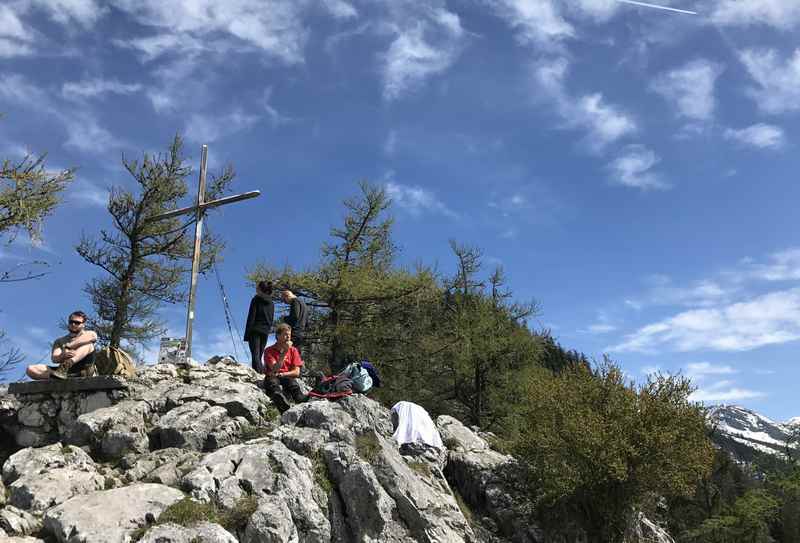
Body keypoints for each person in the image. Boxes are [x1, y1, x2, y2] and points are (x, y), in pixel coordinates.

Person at [26, 311, 98, 380]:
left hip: (85, 370)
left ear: (83, 324)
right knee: (31, 369)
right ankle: (58, 377)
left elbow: (93, 337)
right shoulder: (59, 341)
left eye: (77, 323)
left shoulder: (89, 334)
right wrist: (63, 355)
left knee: (88, 345)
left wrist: (68, 346)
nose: (73, 324)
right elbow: (54, 359)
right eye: (71, 322)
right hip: (65, 372)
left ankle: (67, 366)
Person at [262, 323, 306, 412]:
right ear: (278, 336)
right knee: (273, 383)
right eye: (285, 334)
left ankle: (301, 400)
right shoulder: (269, 350)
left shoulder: (293, 350)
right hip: (272, 376)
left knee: (293, 384)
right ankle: (281, 403)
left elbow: (296, 372)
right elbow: (275, 369)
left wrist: (283, 374)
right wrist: (285, 351)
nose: (288, 337)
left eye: (289, 335)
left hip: (286, 376)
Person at [244, 280, 274, 373]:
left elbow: (251, 316)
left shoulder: (256, 299)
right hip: (265, 331)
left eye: (257, 287)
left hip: (255, 330)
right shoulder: (271, 303)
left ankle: (257, 374)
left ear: (260, 289)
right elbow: (271, 318)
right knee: (259, 354)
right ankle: (260, 372)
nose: (256, 289)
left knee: (255, 355)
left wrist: (247, 334)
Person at [281, 288, 308, 356]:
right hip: (301, 332)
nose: (286, 302)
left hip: (295, 331)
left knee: (291, 353)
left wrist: (285, 319)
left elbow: (295, 316)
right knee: (297, 353)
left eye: (284, 300)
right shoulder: (303, 304)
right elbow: (306, 321)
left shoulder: (295, 301)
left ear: (287, 296)